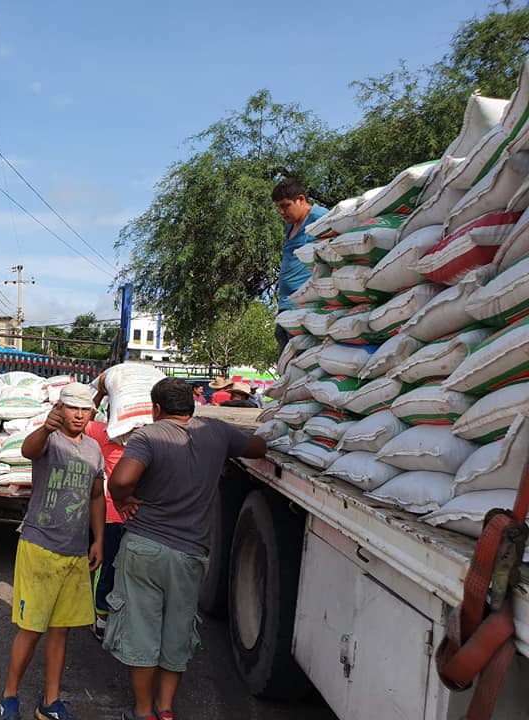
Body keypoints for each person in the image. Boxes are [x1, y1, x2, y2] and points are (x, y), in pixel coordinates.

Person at [105, 377, 267, 720]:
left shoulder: (148, 435)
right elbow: (257, 448)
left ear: (157, 408)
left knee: (141, 631)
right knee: (177, 631)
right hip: (190, 553)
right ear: (193, 404)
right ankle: (166, 710)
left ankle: (144, 712)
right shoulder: (217, 432)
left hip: (145, 546)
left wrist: (122, 500)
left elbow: (120, 480)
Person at [0, 384, 106, 720]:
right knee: (31, 628)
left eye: (84, 409)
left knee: (61, 631)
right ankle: (9, 697)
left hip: (75, 553)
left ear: (92, 412)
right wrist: (45, 427)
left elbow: (96, 496)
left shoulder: (93, 449)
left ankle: (50, 702)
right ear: (59, 408)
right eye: (71, 408)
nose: (77, 415)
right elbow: (29, 451)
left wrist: (98, 539)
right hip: (39, 546)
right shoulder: (48, 440)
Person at [85, 371, 129, 642]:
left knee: (106, 566)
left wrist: (99, 394)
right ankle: (102, 616)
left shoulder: (102, 432)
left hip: (110, 512)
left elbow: (82, 421)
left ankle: (102, 615)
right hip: (118, 515)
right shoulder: (142, 436)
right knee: (111, 567)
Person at [272, 178, 328, 353]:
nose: (282, 212)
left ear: (301, 200)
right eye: (279, 207)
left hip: (305, 308)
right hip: (285, 306)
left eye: (286, 205)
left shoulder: (320, 219)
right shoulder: (292, 225)